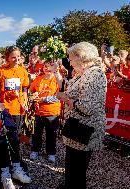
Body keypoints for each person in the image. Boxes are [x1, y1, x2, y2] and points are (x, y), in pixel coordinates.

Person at [52, 42, 107, 189]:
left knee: (77, 168)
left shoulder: (94, 74)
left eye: (70, 58)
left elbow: (87, 107)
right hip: (76, 129)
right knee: (72, 165)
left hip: (84, 130)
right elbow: (72, 90)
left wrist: (67, 99)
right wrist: (65, 94)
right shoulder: (83, 73)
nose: (69, 61)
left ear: (81, 57)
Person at [29, 61, 61, 163]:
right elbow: (31, 90)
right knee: (36, 133)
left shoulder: (57, 79)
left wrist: (44, 100)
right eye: (45, 66)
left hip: (52, 112)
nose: (46, 69)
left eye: (49, 67)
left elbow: (59, 95)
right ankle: (35, 150)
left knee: (51, 134)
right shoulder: (38, 78)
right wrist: (33, 95)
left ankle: (51, 153)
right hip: (38, 112)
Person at [0, 46, 29, 135]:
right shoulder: (1, 70)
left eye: (18, 56)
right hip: (5, 107)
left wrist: (25, 102)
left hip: (18, 108)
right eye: (13, 57)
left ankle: (15, 149)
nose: (16, 59)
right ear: (7, 58)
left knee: (16, 134)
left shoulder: (23, 71)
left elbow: (25, 89)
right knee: (4, 134)